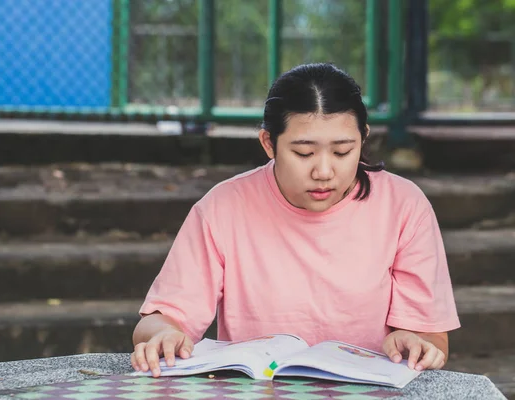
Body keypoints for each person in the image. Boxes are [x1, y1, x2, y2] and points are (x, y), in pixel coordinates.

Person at [131, 63, 461, 378]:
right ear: (268, 143)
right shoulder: (222, 208)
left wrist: (414, 343)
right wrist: (163, 336)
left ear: (363, 138)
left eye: (343, 152)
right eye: (303, 153)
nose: (324, 172)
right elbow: (160, 320)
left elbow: (432, 337)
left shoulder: (404, 206)